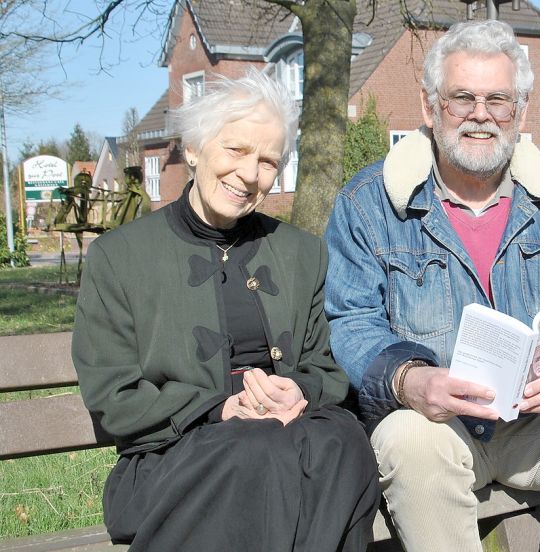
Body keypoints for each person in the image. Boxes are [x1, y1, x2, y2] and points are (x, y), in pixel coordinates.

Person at [325, 20, 540, 552]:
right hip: (439, 427)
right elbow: (352, 320)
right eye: (463, 98)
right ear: (431, 109)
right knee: (405, 437)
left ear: (519, 112)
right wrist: (410, 381)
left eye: (498, 100)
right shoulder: (368, 204)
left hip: (538, 425)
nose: (481, 115)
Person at [73, 69, 379, 552]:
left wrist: (295, 390)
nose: (250, 174)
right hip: (172, 456)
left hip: (292, 438)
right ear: (194, 148)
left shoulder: (302, 253)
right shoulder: (119, 257)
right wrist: (220, 406)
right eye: (236, 150)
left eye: (268, 161)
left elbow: (326, 368)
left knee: (342, 441)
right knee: (256, 447)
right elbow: (113, 396)